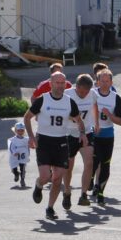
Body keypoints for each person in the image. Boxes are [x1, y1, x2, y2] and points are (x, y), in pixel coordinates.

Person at [24, 72, 81, 220]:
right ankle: (39, 184)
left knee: (57, 178)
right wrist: (30, 137)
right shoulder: (43, 100)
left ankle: (50, 208)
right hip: (44, 141)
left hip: (61, 141)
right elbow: (27, 117)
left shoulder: (69, 102)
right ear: (51, 83)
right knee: (46, 176)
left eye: (63, 83)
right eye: (58, 82)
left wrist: (83, 134)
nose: (61, 86)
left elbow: (79, 120)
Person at [91, 69, 121, 205]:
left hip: (107, 135)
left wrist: (109, 115)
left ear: (111, 82)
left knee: (105, 164)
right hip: (93, 134)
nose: (105, 84)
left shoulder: (115, 97)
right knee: (94, 161)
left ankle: (100, 191)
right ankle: (90, 181)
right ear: (97, 82)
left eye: (107, 81)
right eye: (102, 81)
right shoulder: (92, 95)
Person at [63, 74, 96, 209]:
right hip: (69, 132)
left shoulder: (93, 94)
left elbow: (96, 106)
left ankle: (83, 194)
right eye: (81, 91)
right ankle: (67, 191)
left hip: (87, 132)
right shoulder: (67, 94)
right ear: (76, 87)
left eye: (86, 92)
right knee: (69, 166)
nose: (83, 94)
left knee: (89, 162)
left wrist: (97, 123)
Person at [8, 122, 30, 188]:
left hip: (23, 156)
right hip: (14, 156)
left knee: (23, 168)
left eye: (22, 130)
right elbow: (10, 147)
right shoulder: (12, 140)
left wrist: (27, 154)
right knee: (14, 168)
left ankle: (22, 180)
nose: (20, 132)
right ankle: (16, 174)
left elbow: (28, 147)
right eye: (18, 131)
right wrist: (14, 152)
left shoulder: (26, 139)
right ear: (15, 131)